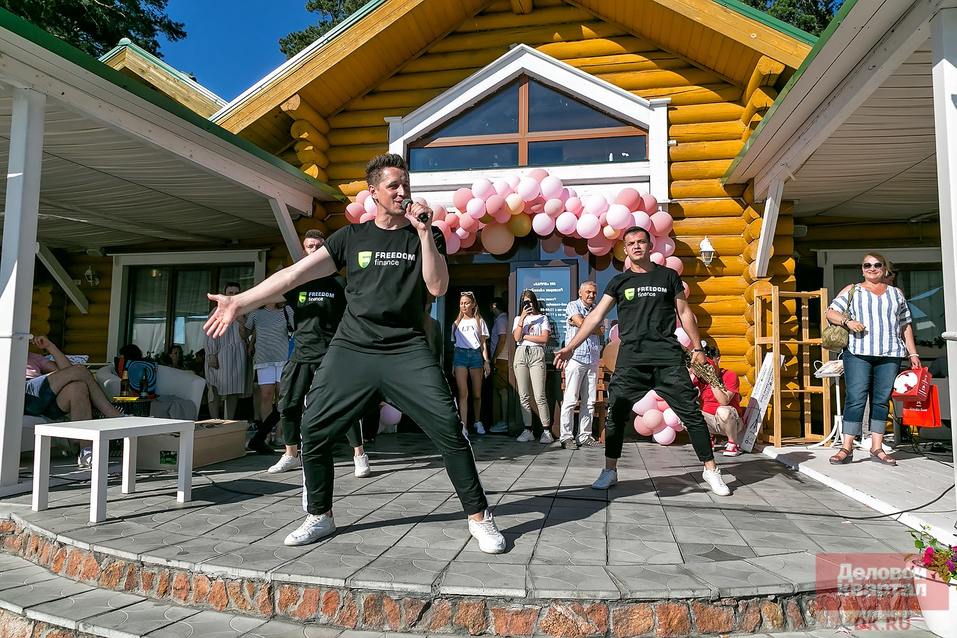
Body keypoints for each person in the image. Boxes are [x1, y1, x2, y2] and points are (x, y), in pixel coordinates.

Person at [205, 153, 505, 553]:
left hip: (405, 347)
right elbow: (294, 275)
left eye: (405, 184)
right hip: (353, 348)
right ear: (373, 192)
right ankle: (320, 515)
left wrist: (422, 232)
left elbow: (436, 288)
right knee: (313, 429)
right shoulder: (351, 237)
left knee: (450, 430)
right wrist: (240, 302)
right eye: (393, 185)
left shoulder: (425, 235)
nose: (402, 192)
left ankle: (480, 518)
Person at [554, 226, 731, 496]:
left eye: (641, 242)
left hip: (667, 359)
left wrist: (697, 348)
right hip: (632, 360)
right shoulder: (618, 282)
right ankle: (610, 470)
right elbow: (594, 317)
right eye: (631, 243)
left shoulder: (668, 276)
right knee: (616, 417)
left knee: (692, 415)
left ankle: (711, 470)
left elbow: (684, 312)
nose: (636, 246)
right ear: (625, 249)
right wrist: (569, 347)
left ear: (650, 246)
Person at [268, 230, 370, 478]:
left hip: (331, 354)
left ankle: (359, 455)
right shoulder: (298, 282)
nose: (313, 251)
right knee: (288, 404)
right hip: (301, 352)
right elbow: (271, 300)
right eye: (309, 247)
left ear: (326, 250)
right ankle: (292, 454)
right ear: (304, 250)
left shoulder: (339, 284)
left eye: (317, 247)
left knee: (344, 406)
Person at [825, 252, 920, 466]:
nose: (872, 268)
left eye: (877, 265)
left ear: (884, 268)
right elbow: (830, 312)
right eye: (867, 265)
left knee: (881, 400)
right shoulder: (853, 290)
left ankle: (876, 447)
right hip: (858, 352)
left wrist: (912, 353)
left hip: (890, 353)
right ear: (862, 269)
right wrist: (848, 322)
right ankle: (846, 447)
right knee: (856, 398)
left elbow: (905, 325)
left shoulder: (896, 294)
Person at [25, 336, 123, 422]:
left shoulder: (32, 356)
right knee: (79, 369)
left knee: (77, 387)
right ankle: (114, 415)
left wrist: (49, 346)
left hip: (43, 402)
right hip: (25, 394)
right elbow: (75, 371)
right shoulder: (9, 354)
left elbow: (67, 371)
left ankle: (83, 442)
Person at [559, 281, 603, 449]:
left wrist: (585, 324)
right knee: (570, 400)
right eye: (588, 292)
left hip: (592, 358)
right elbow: (583, 324)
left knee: (590, 401)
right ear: (580, 292)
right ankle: (566, 436)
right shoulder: (572, 305)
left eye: (594, 293)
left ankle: (584, 436)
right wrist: (589, 325)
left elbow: (599, 330)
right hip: (576, 358)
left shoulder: (597, 309)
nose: (591, 295)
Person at [245, 301, 293, 453]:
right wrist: (239, 319)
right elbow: (245, 333)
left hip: (283, 358)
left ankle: (279, 434)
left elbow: (297, 327)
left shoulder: (287, 310)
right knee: (266, 396)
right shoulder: (255, 313)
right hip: (263, 359)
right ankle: (265, 436)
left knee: (282, 397)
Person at [513, 289, 553, 444]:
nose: (527, 304)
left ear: (534, 301)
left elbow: (544, 338)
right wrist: (522, 318)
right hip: (521, 353)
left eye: (529, 301)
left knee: (539, 395)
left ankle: (546, 430)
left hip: (537, 354)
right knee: (523, 395)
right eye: (524, 301)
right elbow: (516, 337)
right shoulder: (518, 319)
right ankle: (527, 429)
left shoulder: (542, 318)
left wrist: (525, 336)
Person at [692, 341, 744, 457]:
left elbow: (724, 401)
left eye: (710, 361)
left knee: (723, 410)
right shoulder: (700, 378)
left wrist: (711, 379)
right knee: (687, 413)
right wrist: (692, 372)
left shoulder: (730, 375)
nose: (707, 365)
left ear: (718, 359)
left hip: (732, 422)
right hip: (711, 421)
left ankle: (732, 444)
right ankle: (708, 438)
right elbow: (685, 392)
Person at [452, 291, 491, 436]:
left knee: (477, 394)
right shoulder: (456, 323)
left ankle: (477, 420)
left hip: (475, 355)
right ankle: (464, 426)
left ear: (473, 304)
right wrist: (453, 364)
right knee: (463, 393)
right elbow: (454, 345)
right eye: (461, 303)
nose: (463, 305)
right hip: (460, 356)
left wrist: (486, 361)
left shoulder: (479, 321)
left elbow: (483, 344)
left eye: (466, 302)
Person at [205, 282, 246, 420]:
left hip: (237, 356)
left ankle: (229, 421)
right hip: (219, 354)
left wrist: (241, 322)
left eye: (236, 293)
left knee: (234, 390)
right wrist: (211, 354)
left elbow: (247, 335)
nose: (233, 296)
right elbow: (210, 334)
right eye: (230, 293)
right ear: (225, 294)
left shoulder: (243, 313)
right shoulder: (217, 312)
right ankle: (215, 420)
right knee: (214, 389)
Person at [489, 297, 510, 434]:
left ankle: (504, 421)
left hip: (501, 359)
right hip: (502, 359)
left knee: (502, 391)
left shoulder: (501, 320)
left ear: (494, 305)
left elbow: (502, 339)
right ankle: (504, 421)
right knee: (501, 391)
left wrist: (495, 357)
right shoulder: (502, 319)